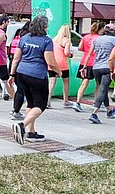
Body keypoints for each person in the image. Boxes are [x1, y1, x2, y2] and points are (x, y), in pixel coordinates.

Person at [8, 16, 58, 144]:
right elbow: (50, 61)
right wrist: (58, 71)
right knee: (40, 105)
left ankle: (31, 132)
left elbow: (16, 58)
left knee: (30, 103)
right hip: (37, 75)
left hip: (21, 73)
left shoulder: (24, 38)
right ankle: (22, 125)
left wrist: (12, 74)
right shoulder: (46, 41)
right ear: (44, 26)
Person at [87, 24, 115, 124]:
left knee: (102, 88)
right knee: (103, 88)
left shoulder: (96, 39)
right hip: (107, 67)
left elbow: (90, 53)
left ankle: (109, 109)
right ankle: (94, 113)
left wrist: (84, 66)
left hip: (96, 67)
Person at [49, 24, 79, 111]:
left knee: (51, 83)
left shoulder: (54, 39)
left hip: (53, 63)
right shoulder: (66, 41)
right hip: (62, 64)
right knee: (66, 82)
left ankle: (48, 101)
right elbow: (66, 53)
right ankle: (65, 100)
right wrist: (71, 55)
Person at [73, 23, 101, 112]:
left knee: (84, 83)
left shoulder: (85, 37)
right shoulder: (99, 38)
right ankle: (96, 103)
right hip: (96, 62)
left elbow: (80, 48)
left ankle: (77, 102)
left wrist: (87, 50)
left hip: (85, 61)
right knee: (98, 84)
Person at [9, 20, 30, 120]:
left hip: (15, 64)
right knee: (23, 91)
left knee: (19, 90)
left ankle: (15, 109)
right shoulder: (27, 40)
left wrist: (12, 73)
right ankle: (17, 111)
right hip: (23, 65)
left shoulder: (18, 38)